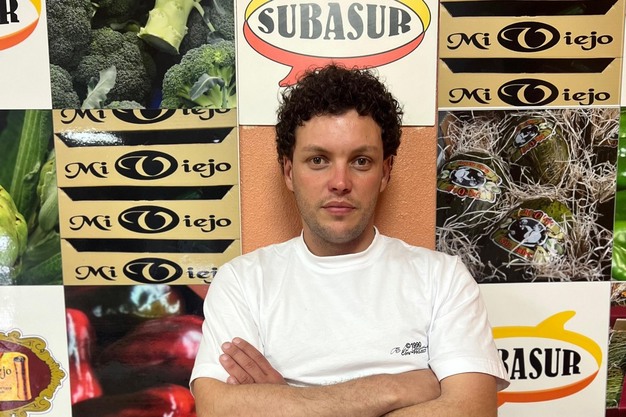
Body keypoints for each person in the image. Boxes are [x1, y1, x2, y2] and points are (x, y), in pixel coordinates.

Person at [190, 64, 509, 417]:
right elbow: (216, 408)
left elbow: (473, 410)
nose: (340, 182)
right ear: (289, 172)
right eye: (318, 160)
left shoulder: (442, 278)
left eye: (360, 161)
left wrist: (285, 402)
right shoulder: (243, 282)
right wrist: (393, 388)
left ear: (384, 172)